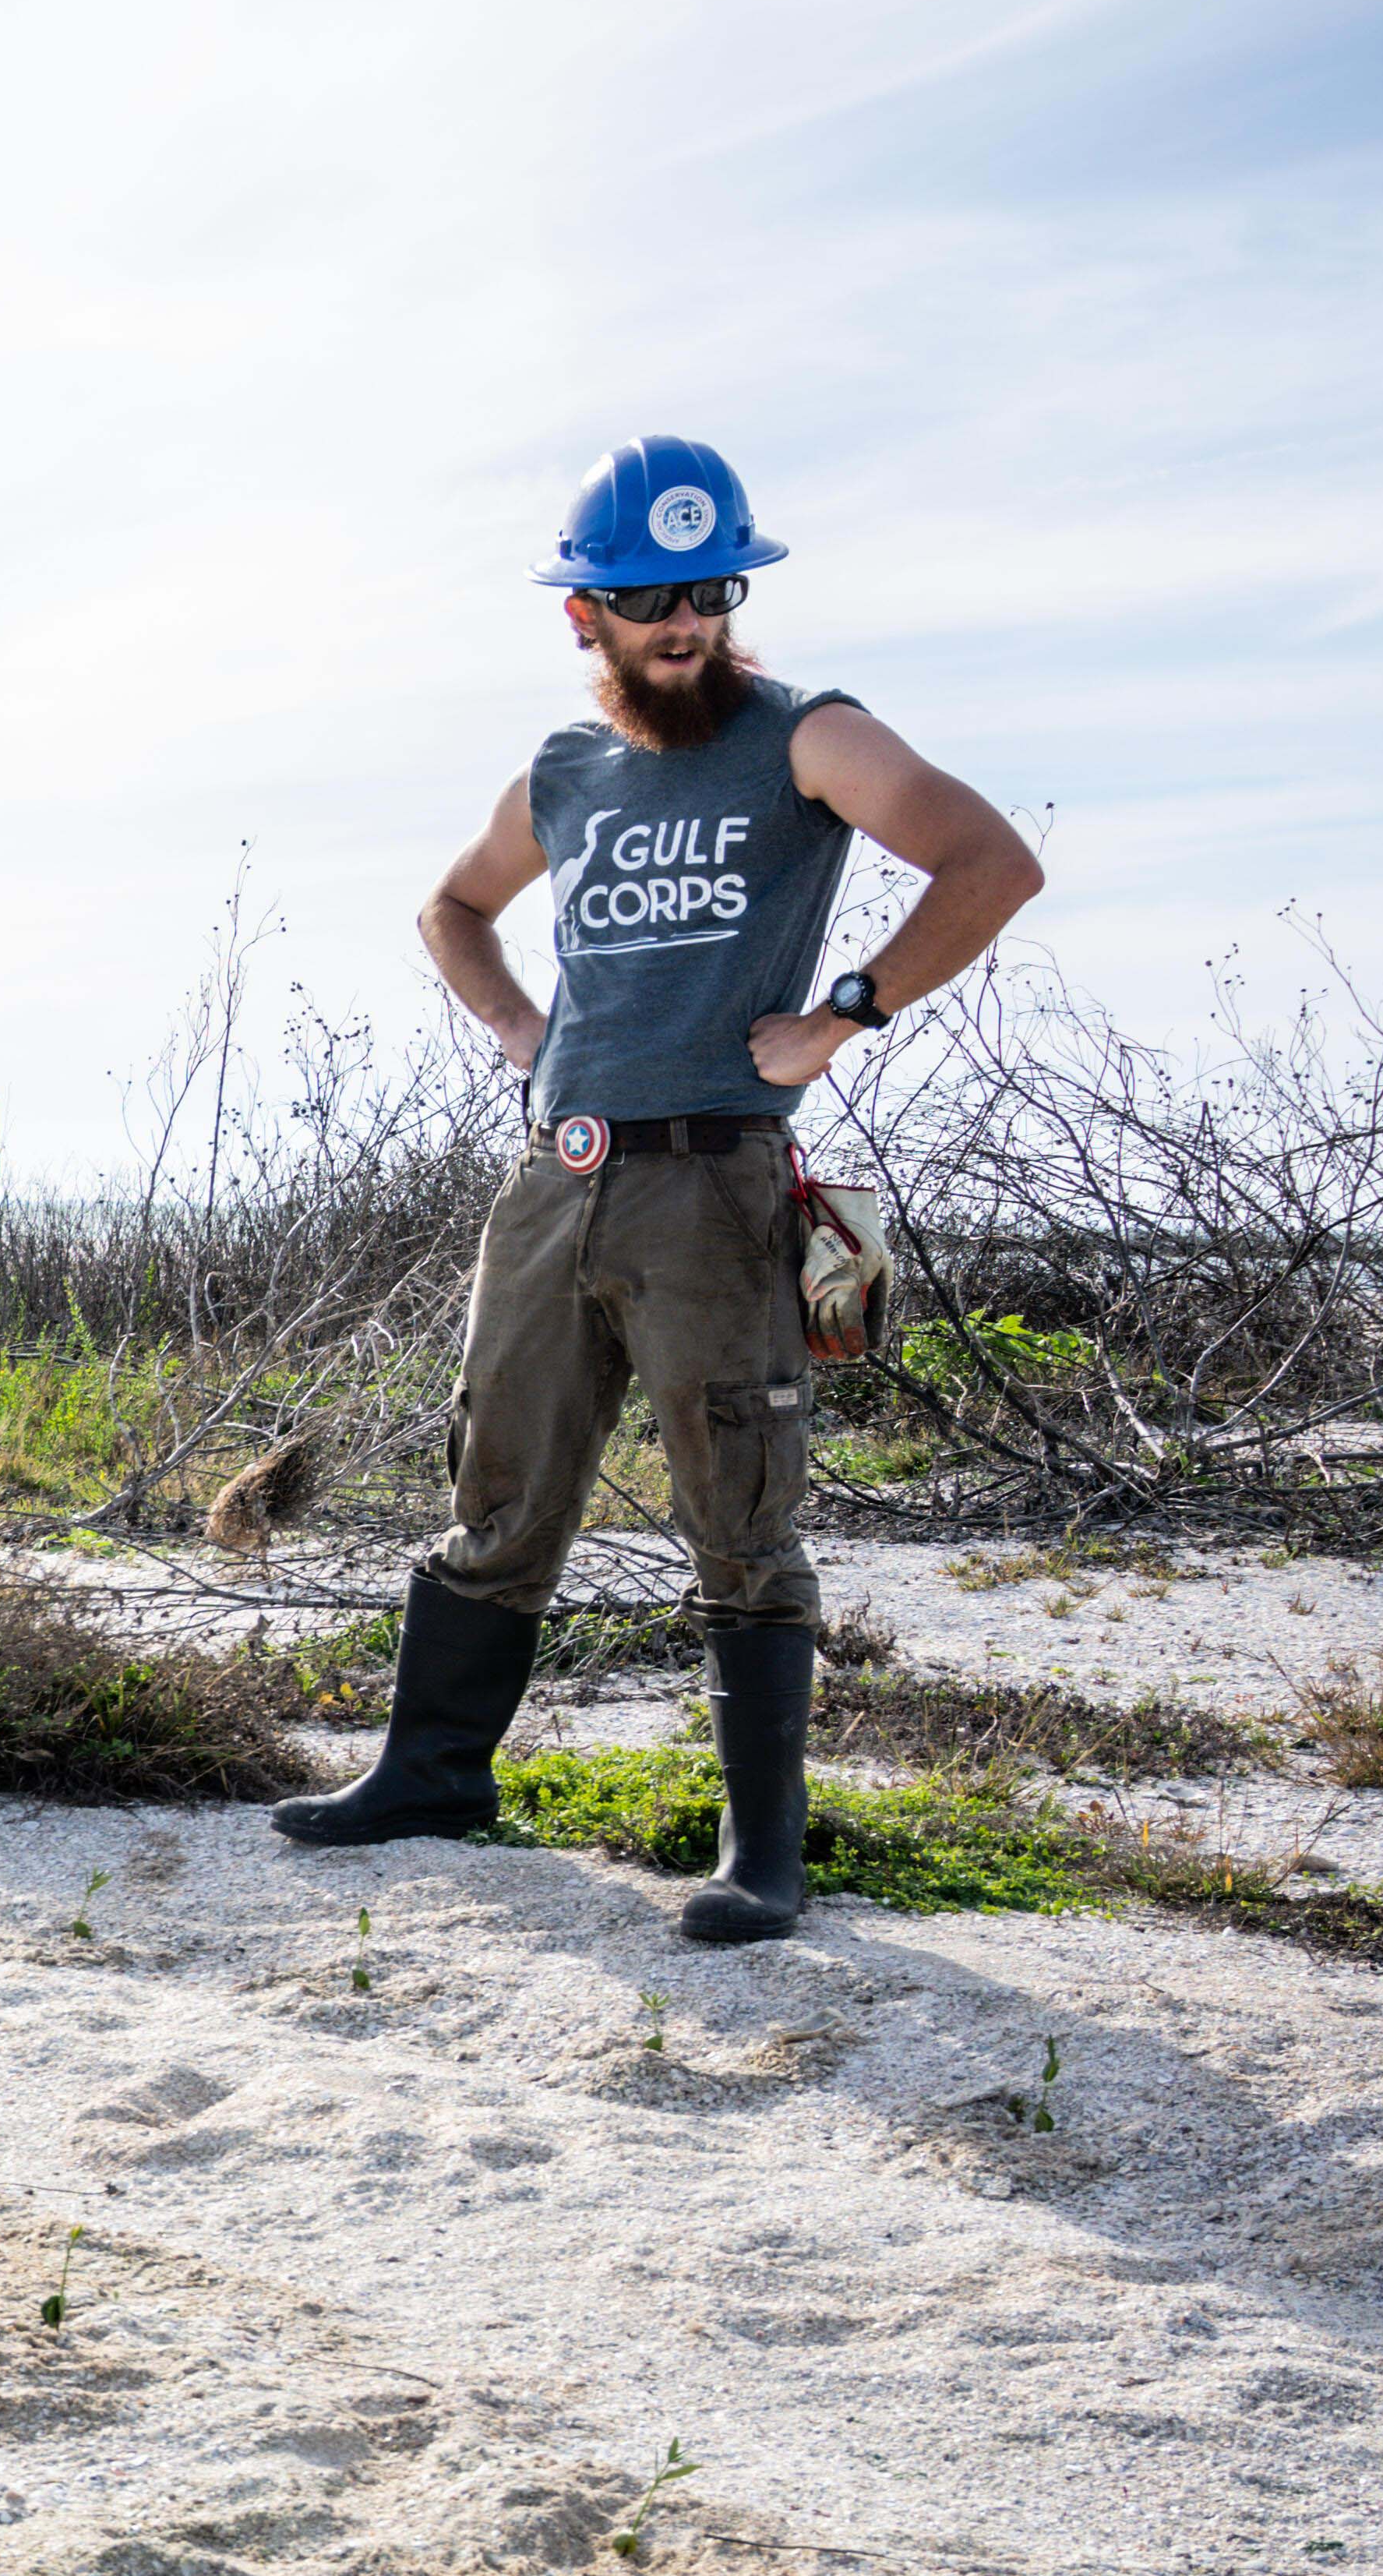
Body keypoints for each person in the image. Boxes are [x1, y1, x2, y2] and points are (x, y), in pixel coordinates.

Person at [279, 436, 1046, 1944]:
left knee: (737, 1511)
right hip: (555, 1184)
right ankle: (433, 1776)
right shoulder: (566, 769)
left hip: (714, 1177)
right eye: (645, 598)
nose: (681, 620)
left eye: (706, 589)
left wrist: (846, 1013)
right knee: (498, 1487)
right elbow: (452, 904)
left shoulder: (807, 733)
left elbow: (988, 862)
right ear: (586, 616)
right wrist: (516, 1025)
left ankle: (765, 1856)